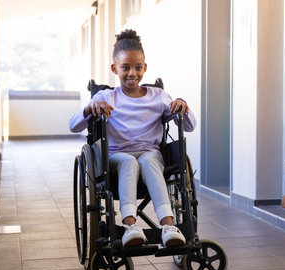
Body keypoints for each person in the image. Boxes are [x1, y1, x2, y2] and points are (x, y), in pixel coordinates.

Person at [69, 29, 196, 247]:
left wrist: (183, 106)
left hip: (150, 154)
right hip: (116, 157)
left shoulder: (158, 97)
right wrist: (90, 107)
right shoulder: (106, 97)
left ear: (144, 67)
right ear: (114, 68)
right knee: (129, 161)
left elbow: (190, 126)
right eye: (125, 67)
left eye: (138, 67)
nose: (132, 73)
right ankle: (130, 226)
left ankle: (168, 226)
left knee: (148, 160)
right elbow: (73, 126)